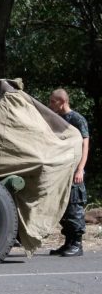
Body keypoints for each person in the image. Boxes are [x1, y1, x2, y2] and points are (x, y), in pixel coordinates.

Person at [48, 88, 90, 257]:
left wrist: (80, 168)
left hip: (74, 169)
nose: (50, 104)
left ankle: (77, 244)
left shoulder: (77, 119)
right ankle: (68, 243)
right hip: (62, 169)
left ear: (62, 102)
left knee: (74, 206)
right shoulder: (57, 119)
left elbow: (85, 144)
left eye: (53, 101)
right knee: (64, 207)